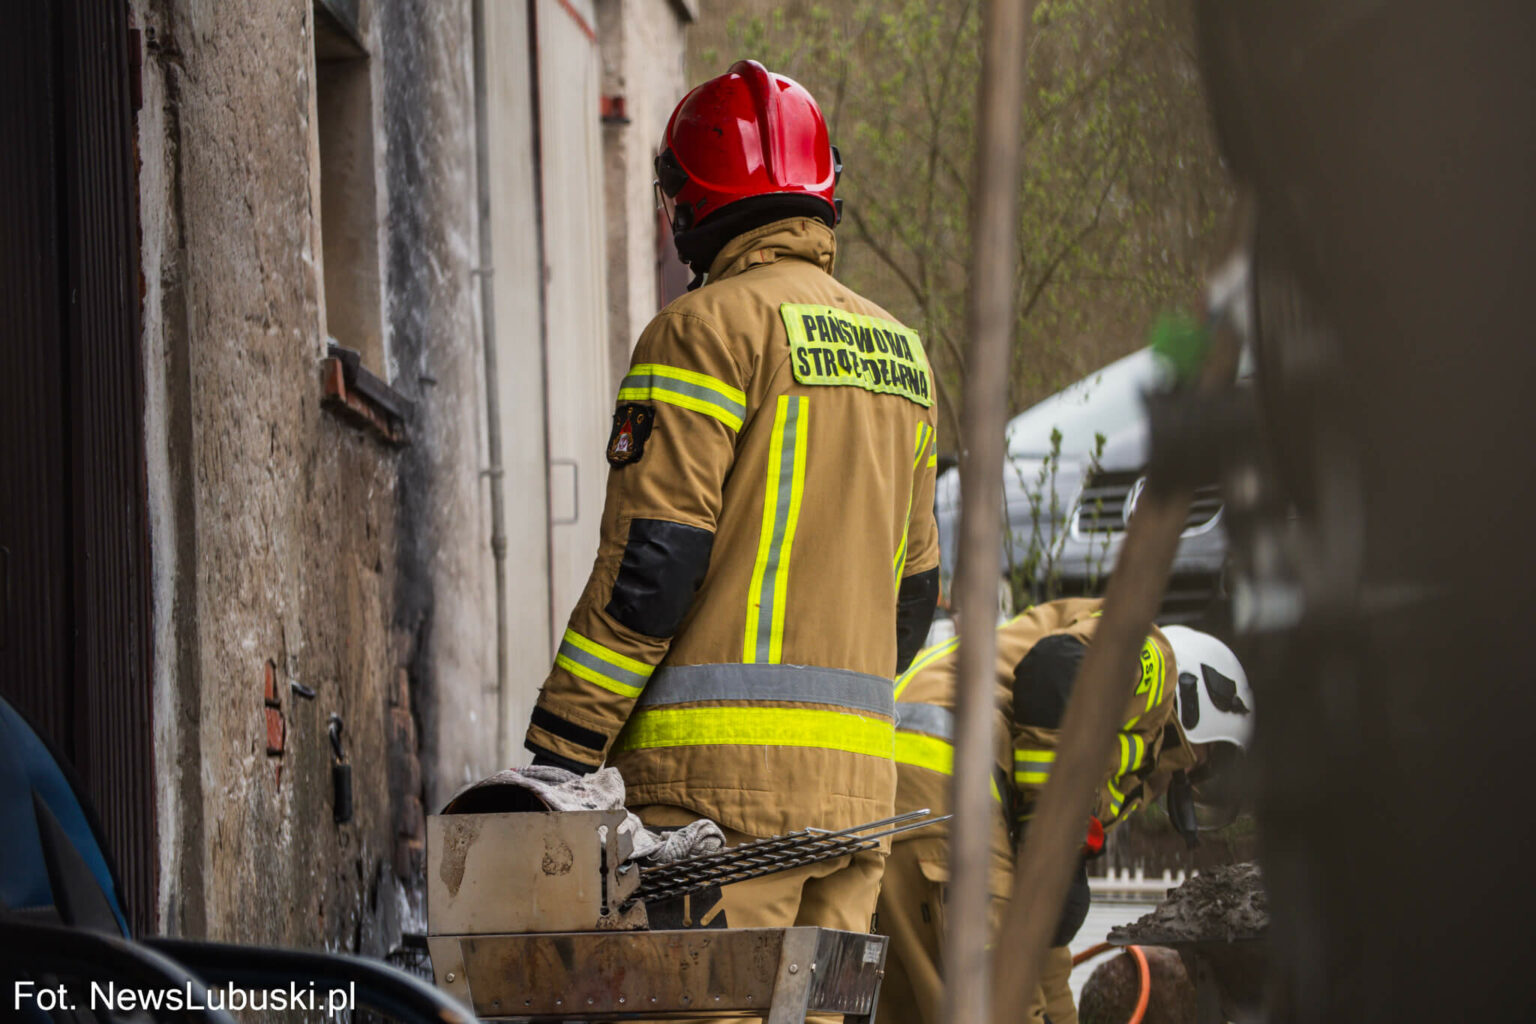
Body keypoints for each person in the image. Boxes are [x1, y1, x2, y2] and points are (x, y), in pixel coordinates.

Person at [522, 59, 941, 964]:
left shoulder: (699, 331)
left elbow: (652, 570)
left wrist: (559, 752)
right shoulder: (904, 358)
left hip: (711, 813)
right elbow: (915, 599)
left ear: (692, 206)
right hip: (858, 808)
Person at [875, 598, 1255, 1024]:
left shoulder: (1081, 751)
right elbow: (1056, 669)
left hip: (882, 808)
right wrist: (1055, 840)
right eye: (1207, 756)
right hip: (953, 805)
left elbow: (1044, 942)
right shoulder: (1154, 660)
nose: (1192, 770)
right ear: (1198, 696)